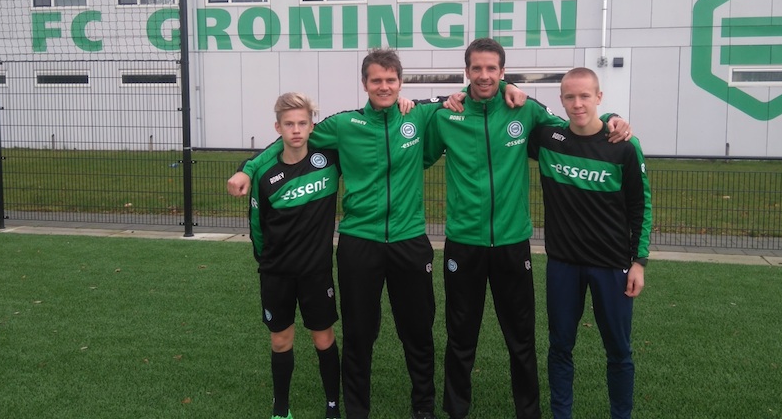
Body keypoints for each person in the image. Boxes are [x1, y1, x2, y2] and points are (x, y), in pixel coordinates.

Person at [227, 49, 525, 419]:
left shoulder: (419, 114)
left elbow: (478, 88)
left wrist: (510, 86)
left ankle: (423, 408)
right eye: (376, 80)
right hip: (359, 243)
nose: (384, 86)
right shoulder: (344, 124)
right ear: (365, 84)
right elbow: (292, 141)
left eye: (390, 80)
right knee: (359, 335)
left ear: (400, 83)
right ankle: (357, 410)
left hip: (409, 241)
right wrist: (248, 168)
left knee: (418, 334)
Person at [424, 38, 631, 419]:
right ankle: (456, 410)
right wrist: (427, 102)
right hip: (463, 243)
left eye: (492, 69)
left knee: (520, 339)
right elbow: (419, 152)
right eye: (476, 68)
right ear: (466, 72)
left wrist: (613, 118)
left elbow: (575, 126)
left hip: (512, 242)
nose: (484, 75)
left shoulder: (526, 109)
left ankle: (528, 412)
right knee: (460, 337)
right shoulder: (446, 116)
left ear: (503, 72)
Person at [528, 67, 651, 419]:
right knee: (560, 347)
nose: (578, 103)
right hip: (563, 265)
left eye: (585, 96)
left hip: (612, 265)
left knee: (618, 351)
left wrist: (639, 262)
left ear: (599, 97)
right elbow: (517, 110)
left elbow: (641, 205)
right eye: (570, 97)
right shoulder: (549, 139)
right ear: (561, 100)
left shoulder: (623, 145)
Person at [245, 92, 342, 419]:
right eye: (289, 124)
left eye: (302, 123)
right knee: (281, 341)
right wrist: (267, 262)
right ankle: (281, 408)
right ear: (278, 128)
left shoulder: (329, 160)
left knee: (323, 338)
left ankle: (332, 406)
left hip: (316, 273)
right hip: (277, 273)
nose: (296, 130)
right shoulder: (264, 175)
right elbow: (257, 227)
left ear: (312, 125)